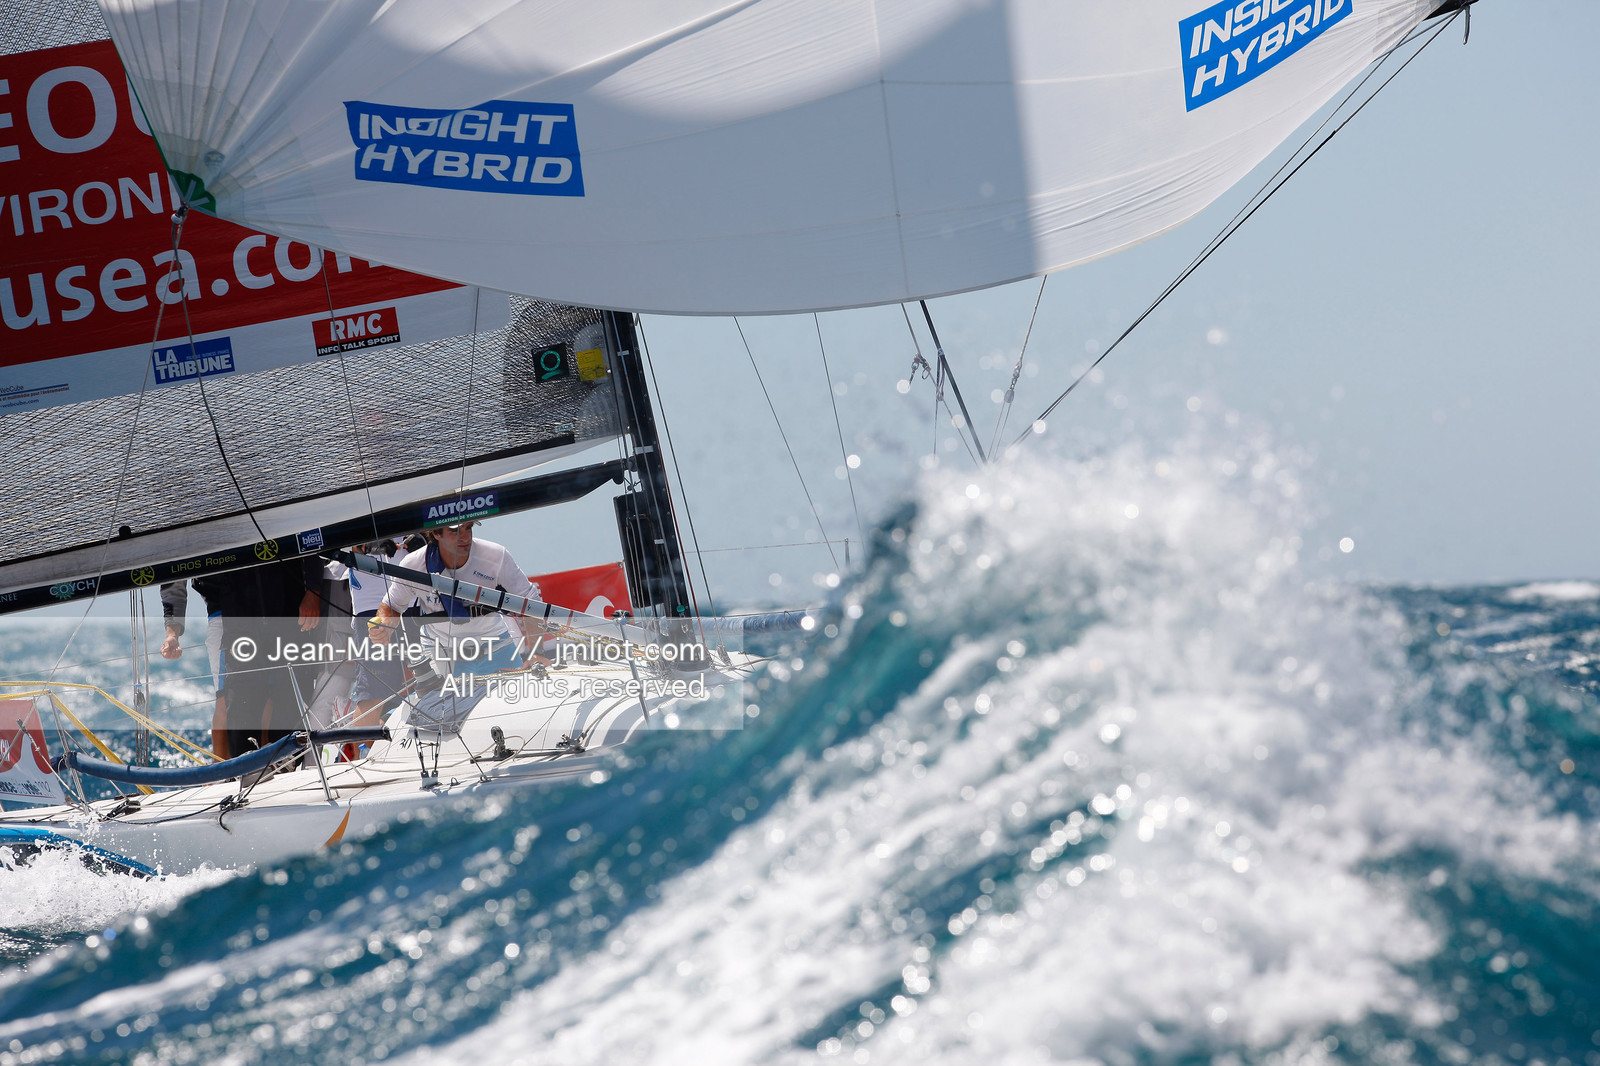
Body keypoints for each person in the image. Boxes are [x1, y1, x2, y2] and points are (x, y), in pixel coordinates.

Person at [368, 522, 551, 676]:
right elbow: (392, 605)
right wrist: (384, 627)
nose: (465, 537)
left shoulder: (496, 555)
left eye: (468, 528)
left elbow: (530, 601)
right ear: (436, 534)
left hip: (498, 648)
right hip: (443, 656)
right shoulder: (413, 565)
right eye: (455, 531)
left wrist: (537, 653)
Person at [346, 539, 408, 726]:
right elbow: (346, 546)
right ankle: (358, 754)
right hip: (371, 609)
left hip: (412, 602)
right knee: (373, 697)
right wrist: (370, 545)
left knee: (419, 686)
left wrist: (422, 540)